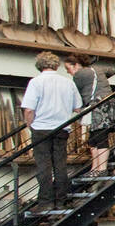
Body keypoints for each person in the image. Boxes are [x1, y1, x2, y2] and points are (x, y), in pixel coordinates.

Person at [21, 51, 83, 211]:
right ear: (56, 65)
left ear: (39, 65)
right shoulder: (68, 83)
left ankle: (45, 202)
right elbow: (78, 107)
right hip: (62, 128)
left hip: (41, 129)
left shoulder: (35, 82)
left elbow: (29, 110)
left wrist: (30, 125)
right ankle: (61, 200)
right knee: (60, 164)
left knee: (44, 166)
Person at [64, 53, 114, 175]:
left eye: (68, 68)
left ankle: (100, 169)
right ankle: (96, 168)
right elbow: (111, 70)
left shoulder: (79, 75)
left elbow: (77, 94)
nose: (68, 72)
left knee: (99, 137)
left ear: (75, 65)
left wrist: (76, 108)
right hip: (107, 104)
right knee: (94, 138)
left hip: (97, 105)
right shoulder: (96, 69)